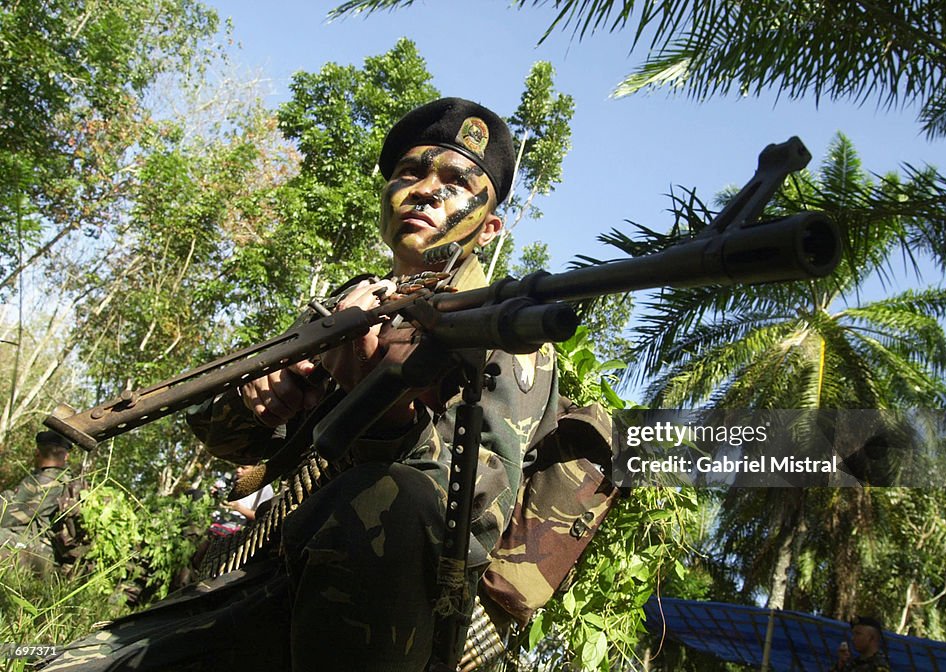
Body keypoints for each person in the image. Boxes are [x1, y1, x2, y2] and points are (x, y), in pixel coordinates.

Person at [44, 97, 560, 672]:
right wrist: (258, 400)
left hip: (393, 613)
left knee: (397, 497)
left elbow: (467, 520)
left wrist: (384, 419)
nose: (425, 190)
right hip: (267, 571)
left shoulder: (505, 330)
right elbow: (230, 443)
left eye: (457, 183)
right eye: (410, 173)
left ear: (488, 228)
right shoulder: (351, 302)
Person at [0, 430, 71, 572]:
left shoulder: (43, 482)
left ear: (37, 452)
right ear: (67, 456)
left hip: (40, 554)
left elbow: (6, 518)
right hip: (54, 555)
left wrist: (6, 495)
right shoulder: (70, 481)